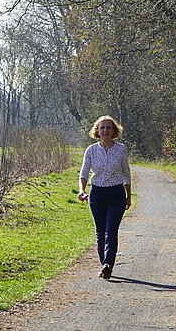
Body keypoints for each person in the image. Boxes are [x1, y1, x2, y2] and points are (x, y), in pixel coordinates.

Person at [78, 115, 132, 279]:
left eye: (108, 127)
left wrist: (128, 196)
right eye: (102, 128)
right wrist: (82, 190)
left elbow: (126, 174)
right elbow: (84, 173)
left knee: (111, 231)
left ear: (114, 131)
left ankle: (108, 263)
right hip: (97, 194)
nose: (105, 130)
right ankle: (104, 266)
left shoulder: (121, 149)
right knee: (100, 232)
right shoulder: (91, 150)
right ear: (97, 131)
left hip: (116, 194)